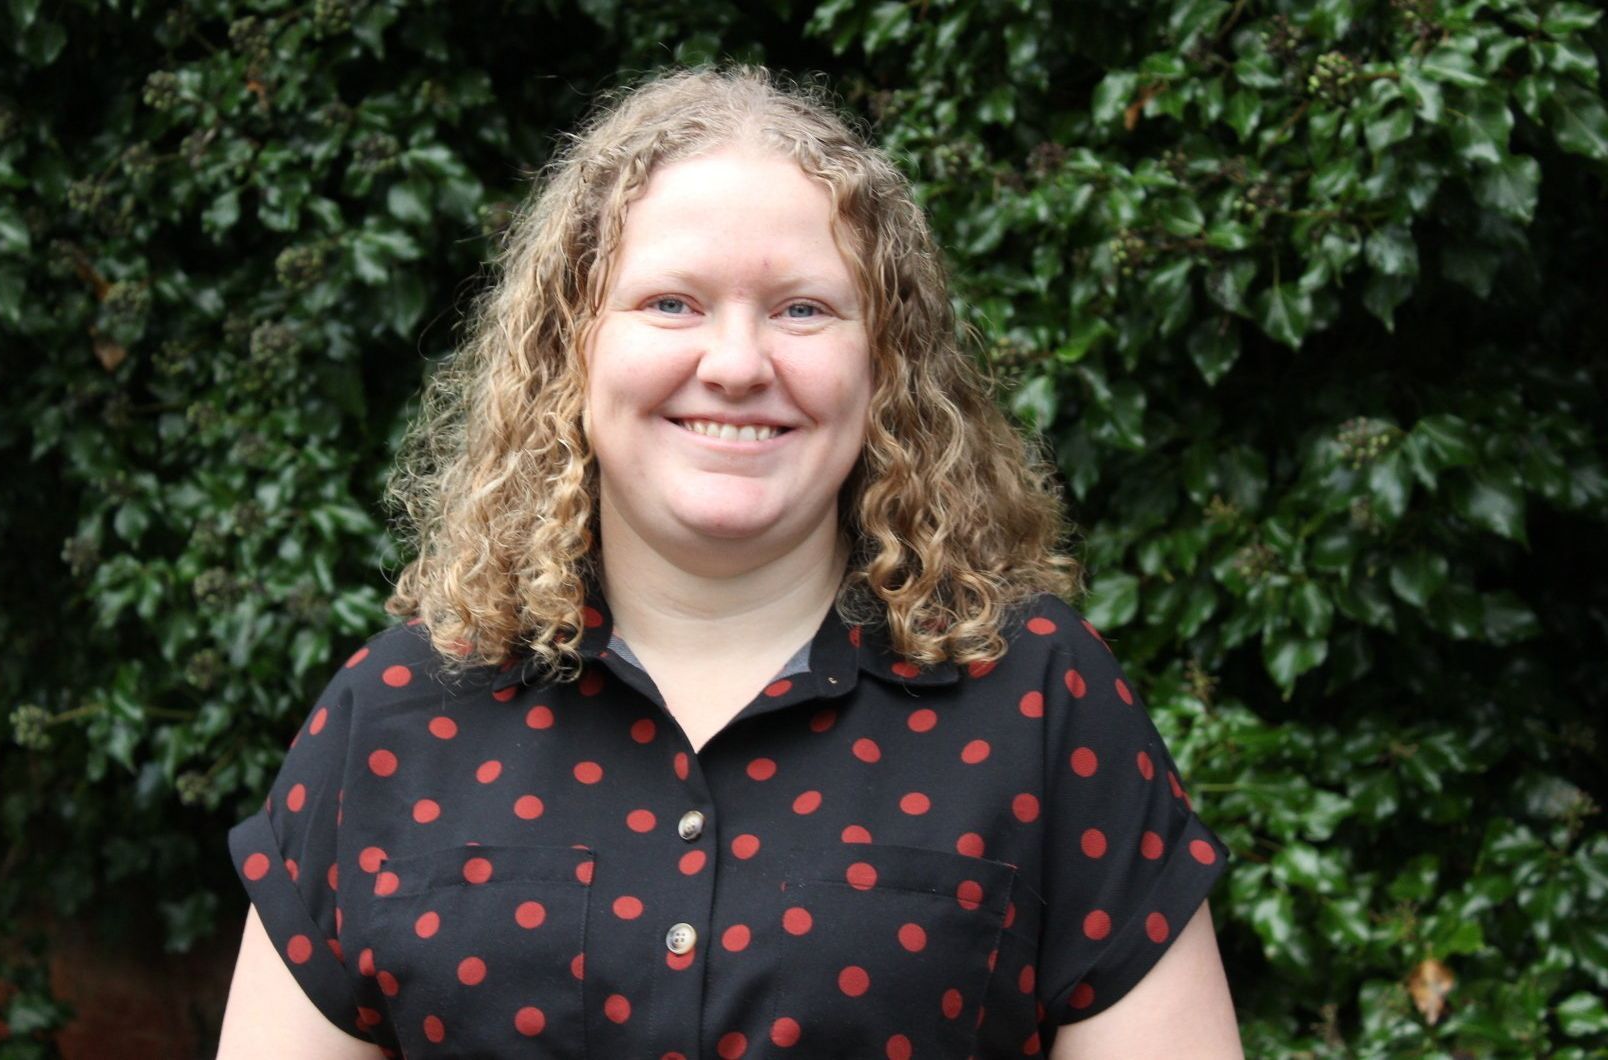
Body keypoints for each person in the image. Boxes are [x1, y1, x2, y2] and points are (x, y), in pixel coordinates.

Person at [218, 65, 1242, 1059]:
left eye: (804, 308)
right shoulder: (395, 715)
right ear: (571, 347)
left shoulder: (1039, 702)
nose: (739, 364)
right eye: (672, 302)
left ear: (885, 367)